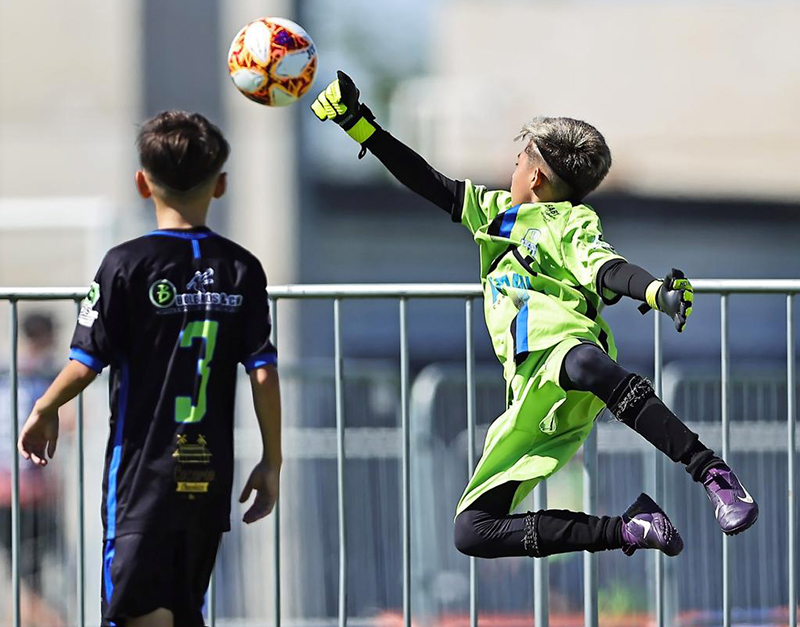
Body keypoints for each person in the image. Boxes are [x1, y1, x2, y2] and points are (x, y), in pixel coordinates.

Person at [311, 72, 758, 560]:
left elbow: (606, 267)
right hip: (529, 394)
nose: (511, 167)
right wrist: (359, 125)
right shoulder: (492, 213)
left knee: (583, 363)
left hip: (570, 354)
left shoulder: (571, 220)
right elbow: (424, 178)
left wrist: (654, 291)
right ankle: (630, 528)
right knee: (472, 531)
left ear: (536, 176)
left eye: (517, 159)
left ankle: (711, 472)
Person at [17, 111, 282, 627]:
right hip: (207, 480)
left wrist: (45, 405)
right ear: (221, 184)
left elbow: (85, 361)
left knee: (133, 616)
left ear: (142, 183)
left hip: (142, 481)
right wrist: (272, 460)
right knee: (183, 612)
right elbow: (264, 372)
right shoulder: (242, 267)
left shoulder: (126, 264)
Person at [0, 313, 64, 626]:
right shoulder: (40, 378)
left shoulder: (8, 375)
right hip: (28, 494)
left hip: (7, 490)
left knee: (24, 579)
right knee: (29, 579)